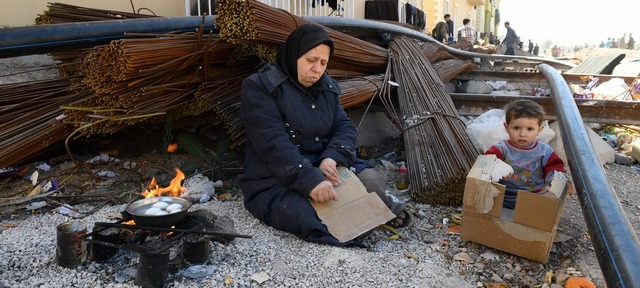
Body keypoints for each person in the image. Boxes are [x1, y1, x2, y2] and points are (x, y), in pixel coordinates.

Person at [239, 24, 410, 247]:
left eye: (323, 63)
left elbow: (344, 127)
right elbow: (272, 143)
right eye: (311, 60)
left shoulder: (326, 87)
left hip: (325, 166)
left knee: (372, 180)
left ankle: (371, 211)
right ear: (294, 54)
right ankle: (371, 214)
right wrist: (310, 180)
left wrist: (332, 158)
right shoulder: (261, 87)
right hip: (277, 176)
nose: (317, 69)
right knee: (311, 215)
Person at [484, 100, 566, 209]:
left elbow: (554, 169)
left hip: (533, 198)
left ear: (539, 130)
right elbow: (487, 162)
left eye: (530, 129)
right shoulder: (501, 148)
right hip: (502, 197)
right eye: (516, 128)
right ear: (507, 127)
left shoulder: (544, 151)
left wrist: (559, 182)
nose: (523, 134)